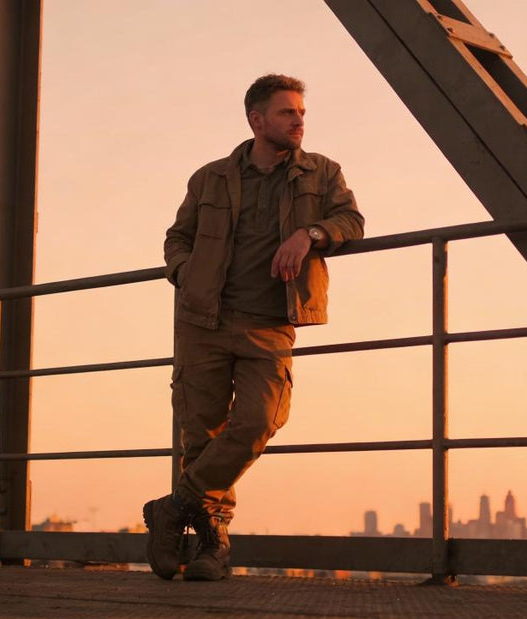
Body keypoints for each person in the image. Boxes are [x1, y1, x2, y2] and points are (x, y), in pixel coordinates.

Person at [144, 74, 364, 581]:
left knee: (258, 420)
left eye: (301, 112)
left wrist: (311, 234)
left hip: (271, 323)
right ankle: (211, 549)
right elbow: (177, 237)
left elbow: (351, 221)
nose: (300, 120)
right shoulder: (210, 178)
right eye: (288, 112)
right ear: (257, 120)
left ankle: (172, 509)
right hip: (203, 320)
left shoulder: (322, 172)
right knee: (200, 437)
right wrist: (184, 272)